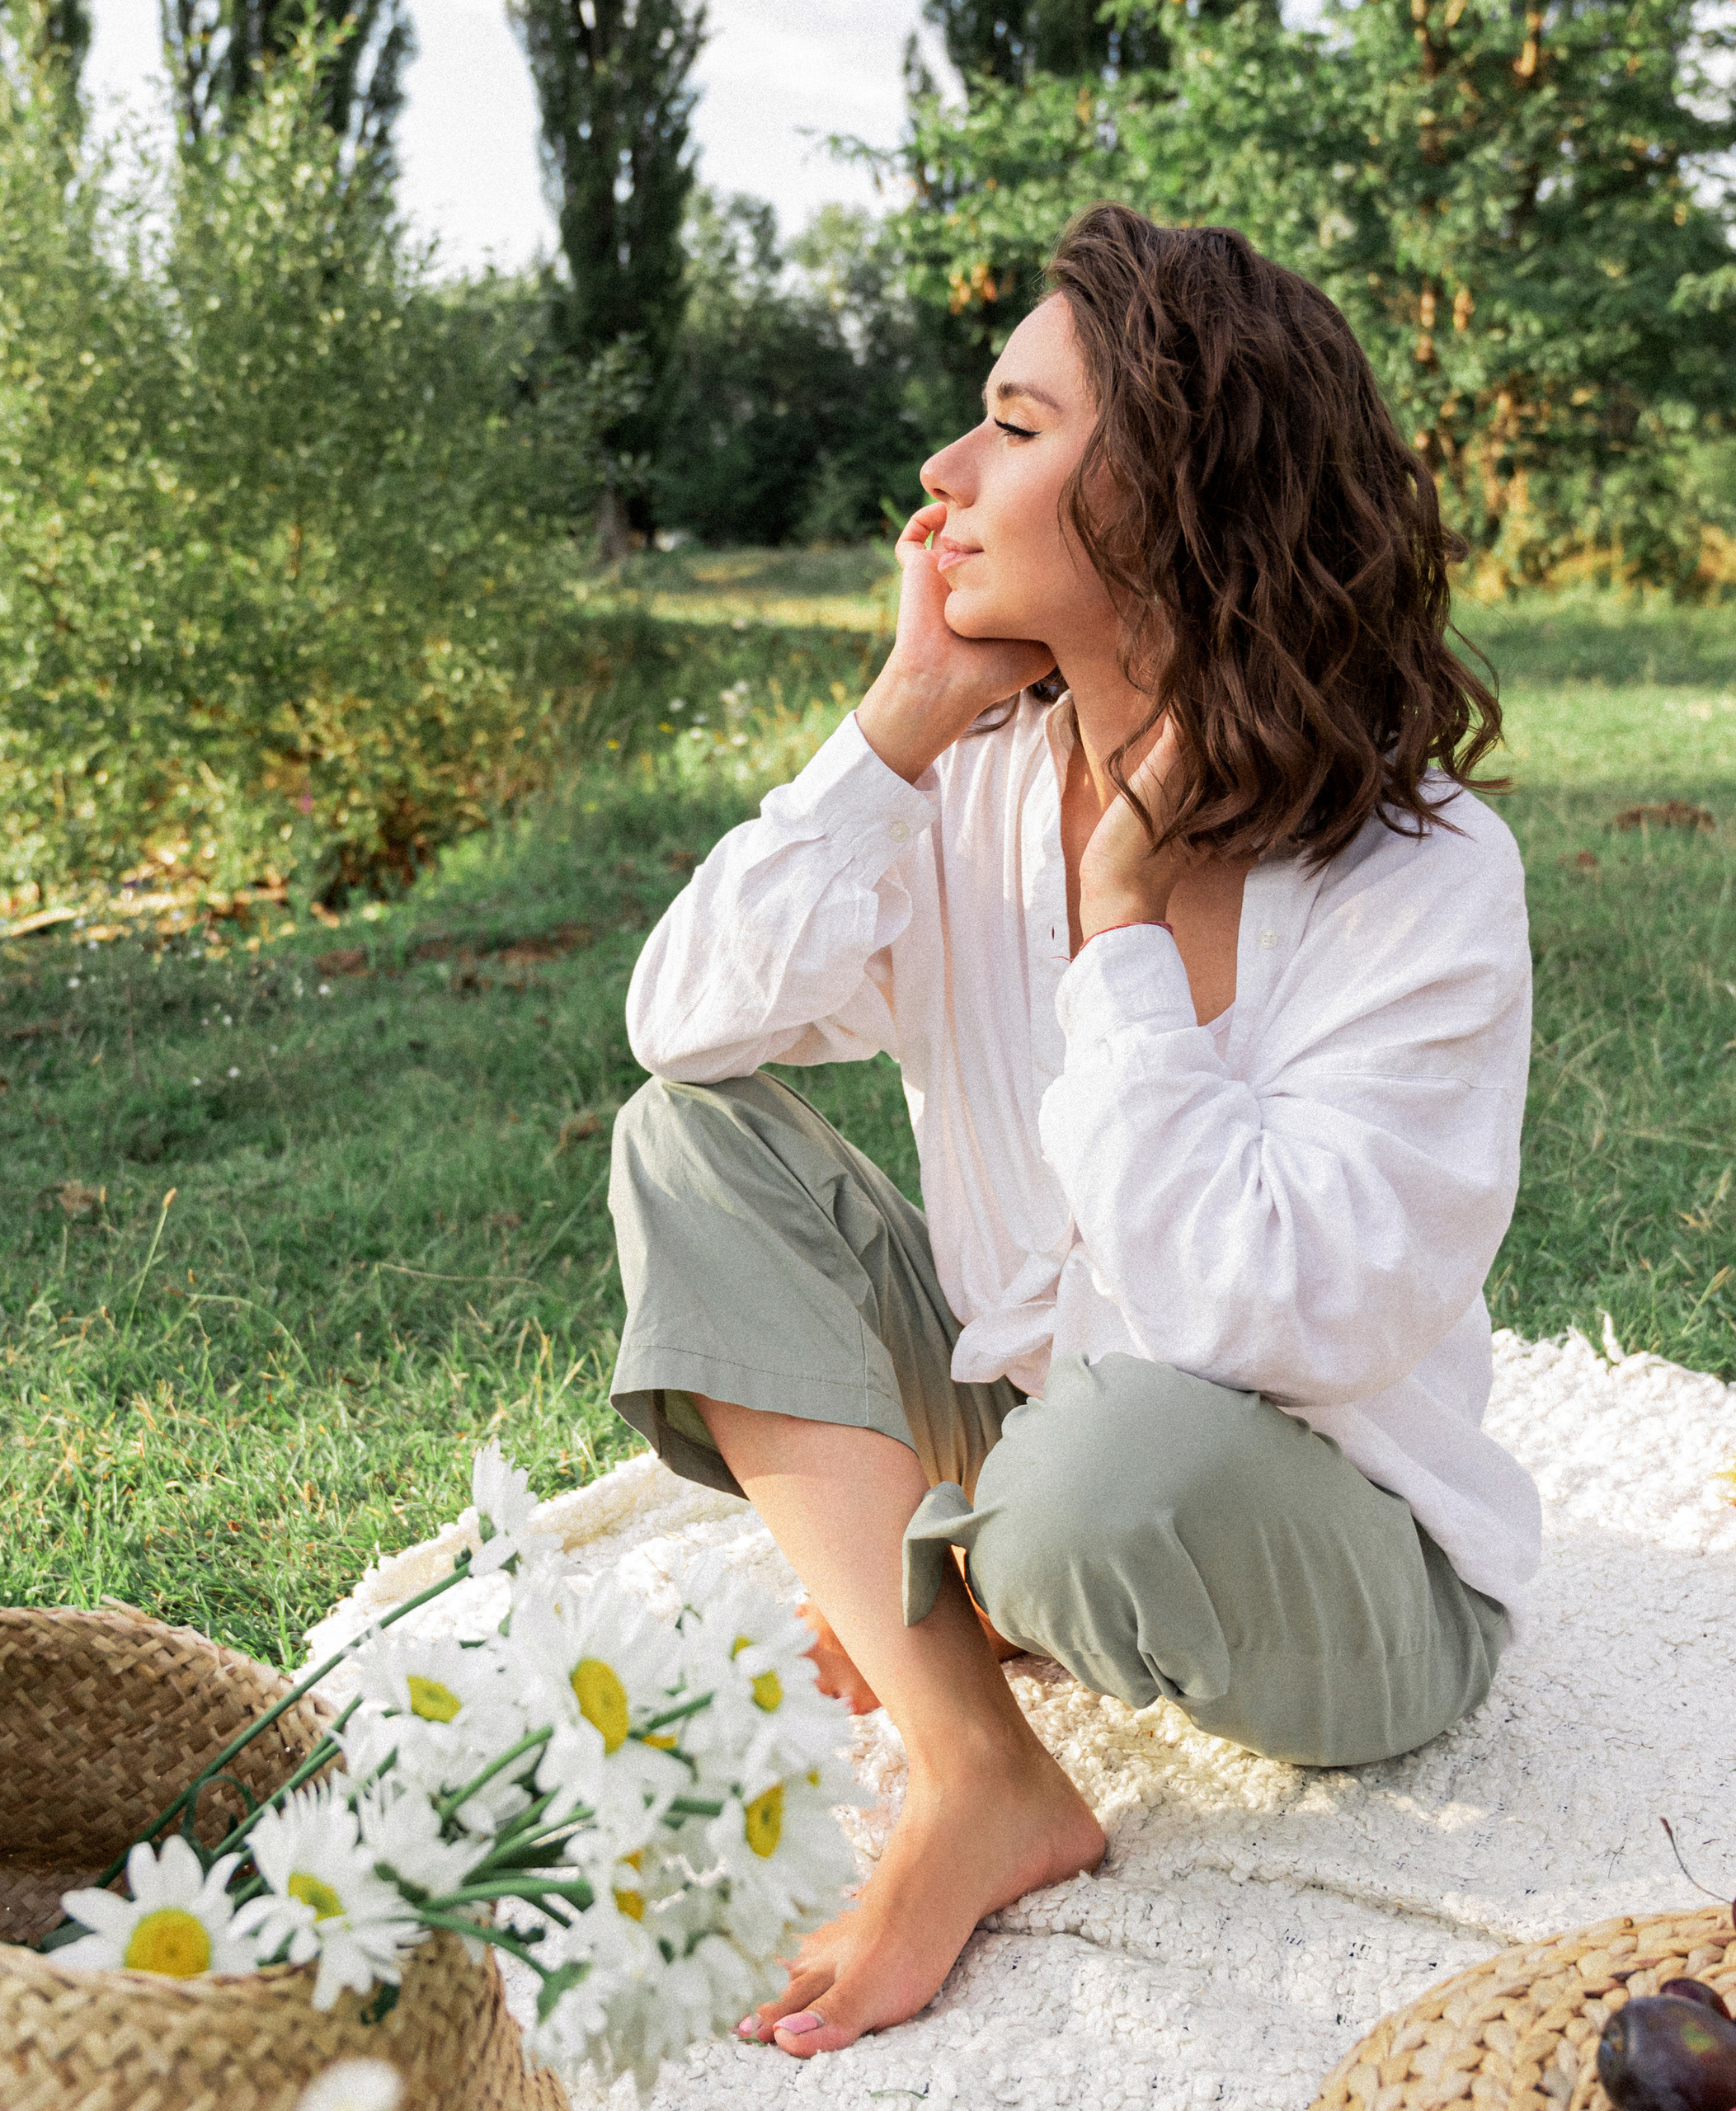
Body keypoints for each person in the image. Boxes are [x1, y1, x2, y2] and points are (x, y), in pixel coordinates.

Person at [605, 203, 1541, 2060]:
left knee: (1091, 1482)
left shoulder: (1416, 875)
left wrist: (1119, 923)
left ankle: (1001, 1569)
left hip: (1335, 1545)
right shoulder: (964, 788)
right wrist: (894, 721)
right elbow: (683, 1018)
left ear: (1178, 496)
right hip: (1042, 1436)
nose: (940, 477)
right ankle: (982, 1769)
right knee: (683, 1134)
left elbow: (1262, 1320)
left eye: (1015, 429)